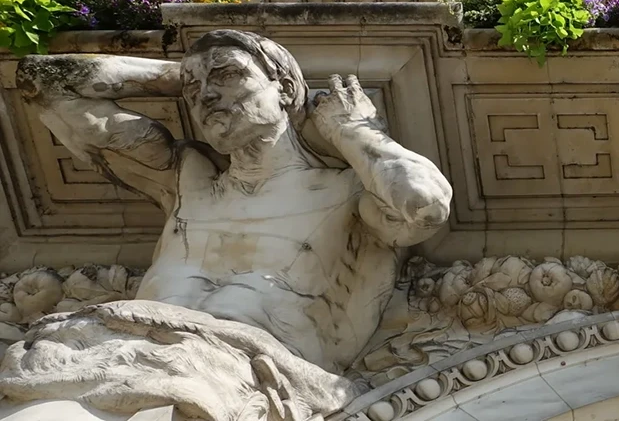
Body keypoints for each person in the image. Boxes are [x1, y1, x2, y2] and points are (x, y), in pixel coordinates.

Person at [10, 30, 451, 373]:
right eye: (195, 88)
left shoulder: (348, 191)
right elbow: (45, 82)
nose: (204, 95)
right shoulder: (188, 178)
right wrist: (180, 75)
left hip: (236, 373)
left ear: (283, 88)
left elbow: (424, 204)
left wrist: (354, 132)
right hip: (93, 349)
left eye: (228, 75)